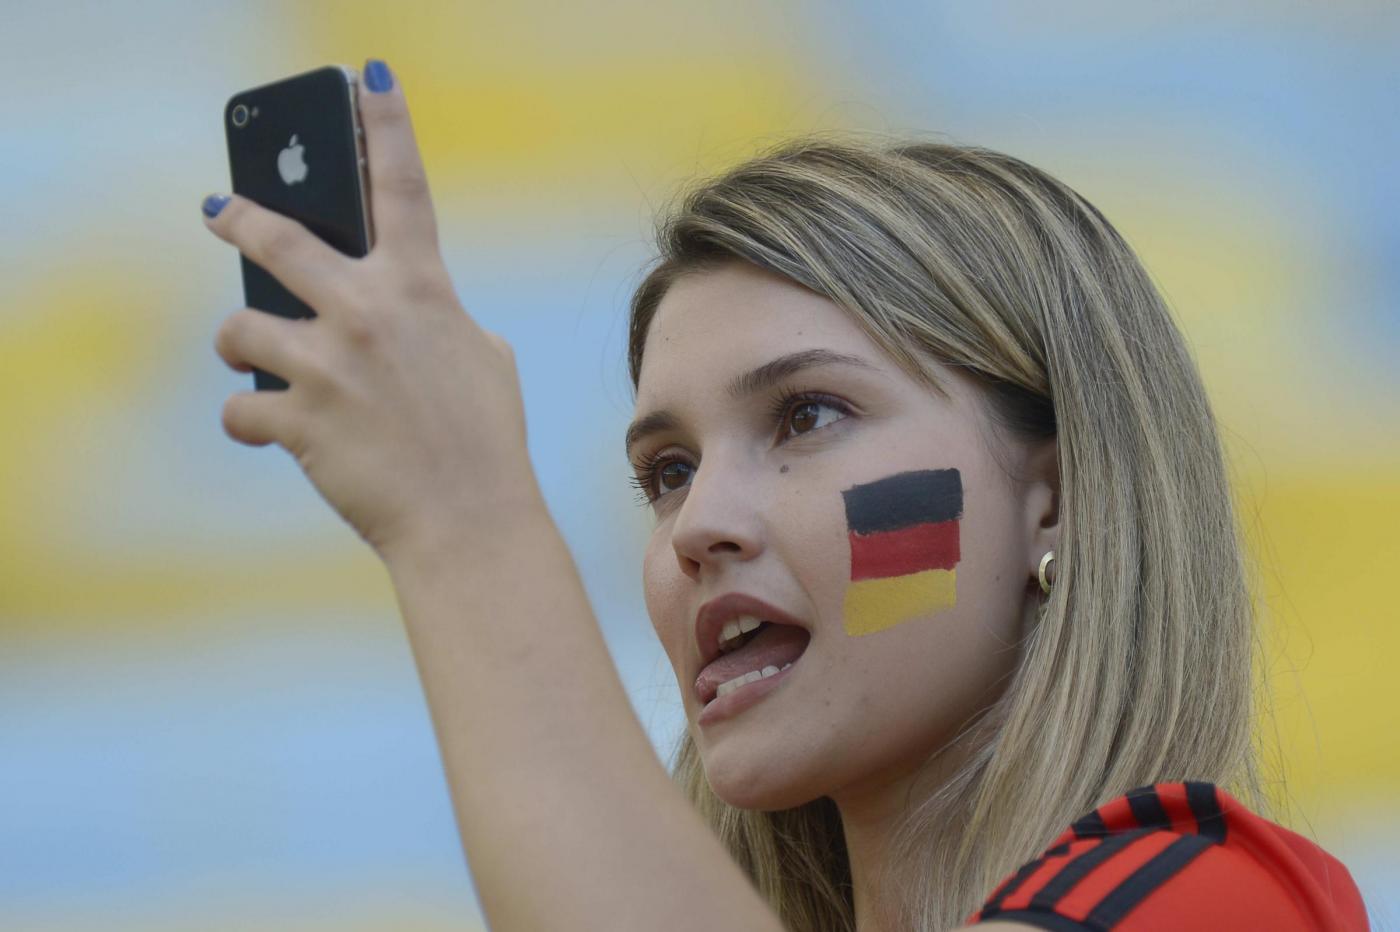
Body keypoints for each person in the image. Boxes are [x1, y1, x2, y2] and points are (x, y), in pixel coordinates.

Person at [203, 58, 1371, 931]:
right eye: (666, 472)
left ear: (1055, 502)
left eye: (807, 415)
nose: (699, 525)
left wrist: (461, 516)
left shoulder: (1213, 893)